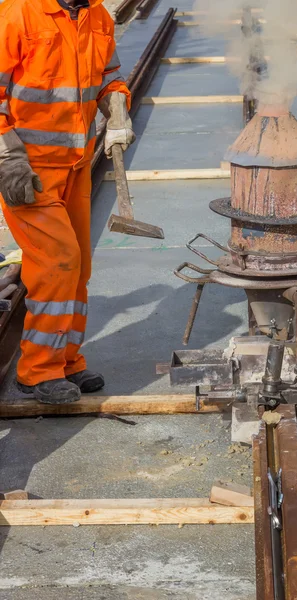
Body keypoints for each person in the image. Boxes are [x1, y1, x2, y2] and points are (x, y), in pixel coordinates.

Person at [0, 0, 135, 404]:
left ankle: (66, 361)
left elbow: (109, 77)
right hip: (29, 170)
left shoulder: (97, 15)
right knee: (58, 260)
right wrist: (8, 158)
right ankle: (36, 371)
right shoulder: (17, 14)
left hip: (75, 164)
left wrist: (117, 112)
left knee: (77, 268)